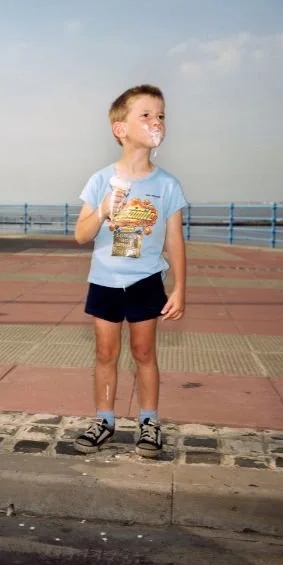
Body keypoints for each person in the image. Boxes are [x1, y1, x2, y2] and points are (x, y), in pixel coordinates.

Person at [72, 84, 187, 459]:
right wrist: (104, 208)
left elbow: (174, 240)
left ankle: (149, 420)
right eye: (146, 115)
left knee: (144, 352)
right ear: (120, 129)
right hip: (105, 279)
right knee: (105, 353)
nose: (157, 122)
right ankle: (104, 419)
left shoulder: (167, 185)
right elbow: (80, 234)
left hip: (146, 279)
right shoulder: (100, 180)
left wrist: (180, 287)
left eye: (161, 116)